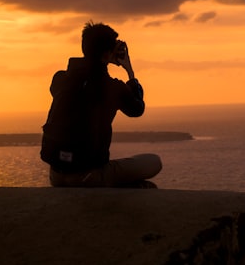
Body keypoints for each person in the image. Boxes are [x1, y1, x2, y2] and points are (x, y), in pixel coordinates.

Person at [40, 21, 163, 187]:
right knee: (154, 162)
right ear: (107, 55)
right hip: (89, 176)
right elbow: (137, 109)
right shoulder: (113, 88)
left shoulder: (60, 79)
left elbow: (76, 90)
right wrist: (130, 72)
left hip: (56, 176)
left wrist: (102, 58)